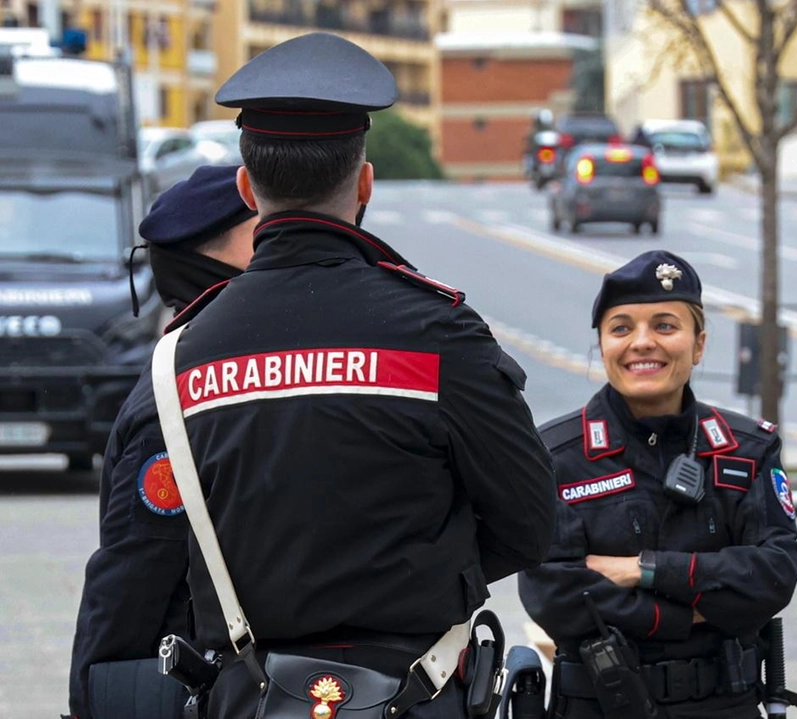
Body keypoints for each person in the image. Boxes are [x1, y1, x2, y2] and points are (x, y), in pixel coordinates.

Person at [165, 33, 556, 718]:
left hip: (249, 696)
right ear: (365, 183)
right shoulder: (441, 334)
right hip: (420, 689)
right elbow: (531, 523)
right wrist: (419, 568)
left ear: (247, 187)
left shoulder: (185, 350)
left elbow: (154, 548)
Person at [518, 250, 797, 719]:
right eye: (622, 328)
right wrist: (687, 614)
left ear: (699, 345)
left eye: (665, 326)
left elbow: (772, 576)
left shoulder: (747, 449)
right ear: (603, 344)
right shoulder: (555, 456)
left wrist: (642, 569)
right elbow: (554, 596)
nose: (642, 342)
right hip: (599, 704)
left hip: (725, 704)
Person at [67, 165, 256, 719]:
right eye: (265, 232)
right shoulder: (176, 402)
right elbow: (133, 574)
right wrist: (91, 696)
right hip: (209, 682)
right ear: (216, 257)